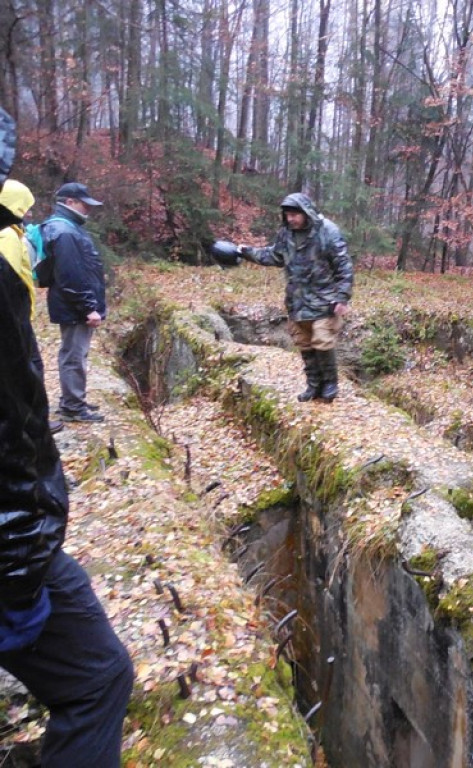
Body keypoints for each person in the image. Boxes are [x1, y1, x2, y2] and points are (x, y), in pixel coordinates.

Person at [0, 114, 134, 767]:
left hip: (18, 541)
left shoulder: (49, 236)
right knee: (98, 677)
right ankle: (78, 405)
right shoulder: (61, 236)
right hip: (14, 555)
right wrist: (20, 576)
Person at [238, 193, 353, 403]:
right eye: (287, 215)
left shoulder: (328, 231)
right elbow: (273, 256)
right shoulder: (286, 234)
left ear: (305, 212)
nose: (291, 219)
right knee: (304, 343)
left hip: (324, 300)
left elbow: (343, 266)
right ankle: (313, 385)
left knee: (322, 340)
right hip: (297, 302)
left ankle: (330, 384)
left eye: (294, 215)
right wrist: (245, 252)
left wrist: (342, 297)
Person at [0, 180, 65, 435]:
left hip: (16, 317)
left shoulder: (13, 234)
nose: (29, 213)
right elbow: (10, 281)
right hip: (13, 319)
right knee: (30, 369)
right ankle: (33, 423)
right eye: (26, 207)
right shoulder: (7, 237)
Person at [44, 182, 107, 423]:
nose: (88, 210)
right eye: (84, 204)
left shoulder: (67, 228)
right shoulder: (66, 231)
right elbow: (70, 276)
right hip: (74, 308)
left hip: (72, 305)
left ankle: (74, 399)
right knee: (74, 355)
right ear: (69, 202)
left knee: (75, 353)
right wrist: (88, 307)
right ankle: (72, 406)